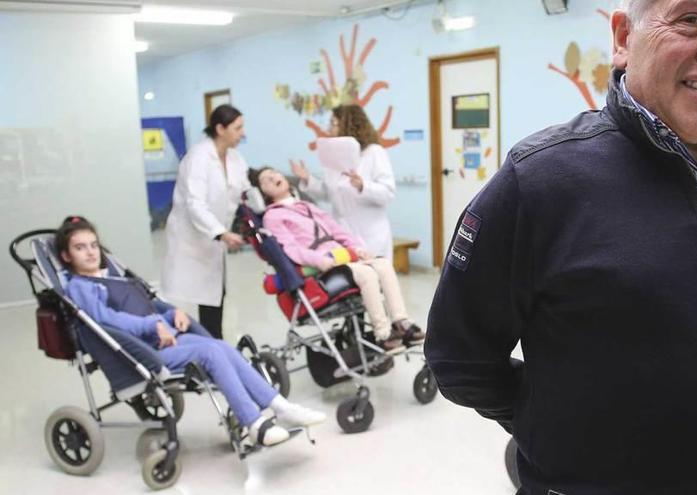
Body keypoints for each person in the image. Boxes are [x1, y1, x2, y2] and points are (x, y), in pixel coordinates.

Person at [425, 1, 697, 494]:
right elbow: (459, 354)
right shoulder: (541, 179)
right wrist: (553, 424)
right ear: (623, 38)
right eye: (692, 20)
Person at [57, 216, 326, 447]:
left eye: (93, 245)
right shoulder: (80, 287)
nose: (91, 252)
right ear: (67, 256)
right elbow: (107, 321)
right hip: (139, 353)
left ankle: (280, 406)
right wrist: (153, 324)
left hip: (161, 339)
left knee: (221, 347)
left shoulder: (112, 277)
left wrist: (171, 314)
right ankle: (254, 423)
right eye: (80, 248)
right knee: (210, 352)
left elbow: (147, 307)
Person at [249, 166, 424, 353]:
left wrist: (357, 248)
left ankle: (401, 322)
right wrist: (319, 260)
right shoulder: (272, 216)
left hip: (341, 256)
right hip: (321, 266)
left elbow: (336, 230)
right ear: (262, 193)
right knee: (366, 273)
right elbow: (291, 249)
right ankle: (382, 335)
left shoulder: (307, 206)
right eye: (265, 180)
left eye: (274, 173)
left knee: (382, 264)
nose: (272, 177)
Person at [162, 104, 250, 339]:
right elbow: (195, 203)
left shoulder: (235, 158)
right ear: (220, 128)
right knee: (185, 306)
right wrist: (221, 233)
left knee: (213, 301)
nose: (243, 133)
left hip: (214, 246)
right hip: (190, 243)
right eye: (238, 127)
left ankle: (215, 349)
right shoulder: (199, 157)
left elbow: (245, 191)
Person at [290, 105, 396, 260]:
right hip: (343, 234)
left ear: (348, 125)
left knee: (374, 279)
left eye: (333, 124)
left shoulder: (374, 153)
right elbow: (328, 193)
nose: (329, 130)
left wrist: (363, 186)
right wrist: (308, 178)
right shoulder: (335, 159)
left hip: (372, 235)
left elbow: (388, 193)